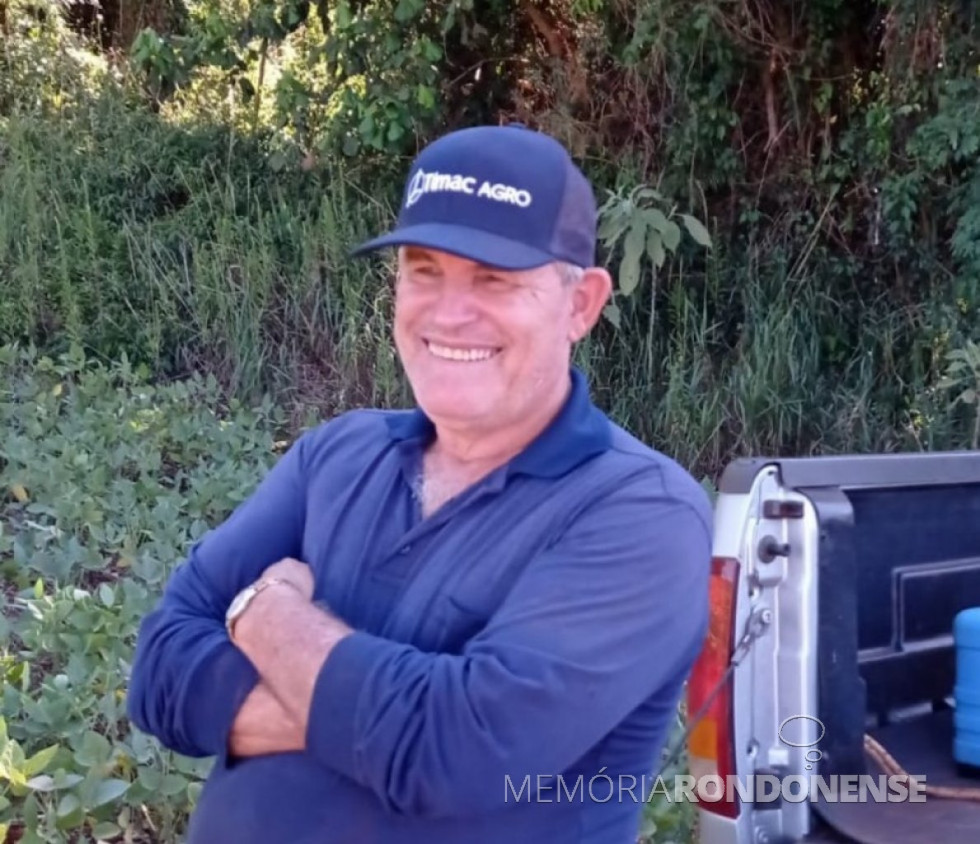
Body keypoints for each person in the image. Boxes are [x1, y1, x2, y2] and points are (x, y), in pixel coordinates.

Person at [127, 123, 713, 844]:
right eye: (423, 268)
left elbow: (451, 752)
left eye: (494, 278)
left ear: (582, 305)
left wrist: (263, 613)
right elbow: (158, 670)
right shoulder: (337, 453)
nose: (448, 311)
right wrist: (370, 714)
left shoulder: (644, 514)